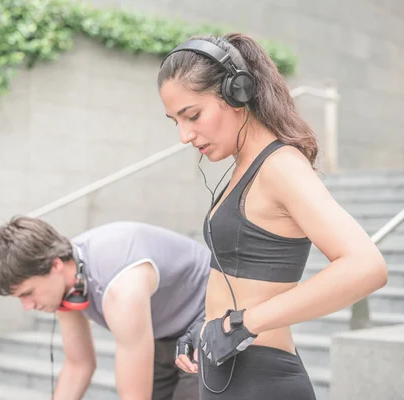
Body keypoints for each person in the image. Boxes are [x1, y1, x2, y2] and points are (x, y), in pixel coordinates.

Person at [157, 33, 388, 399]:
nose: (185, 135)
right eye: (176, 122)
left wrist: (242, 323)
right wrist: (205, 326)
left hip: (261, 380)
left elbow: (366, 266)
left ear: (237, 93)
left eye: (193, 115)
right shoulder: (243, 167)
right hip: (227, 374)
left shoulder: (280, 166)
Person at [0, 216, 211, 400]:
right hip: (164, 332)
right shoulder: (69, 283)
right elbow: (78, 365)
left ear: (55, 265)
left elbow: (134, 396)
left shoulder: (120, 286)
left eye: (27, 293)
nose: (27, 306)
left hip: (207, 319)